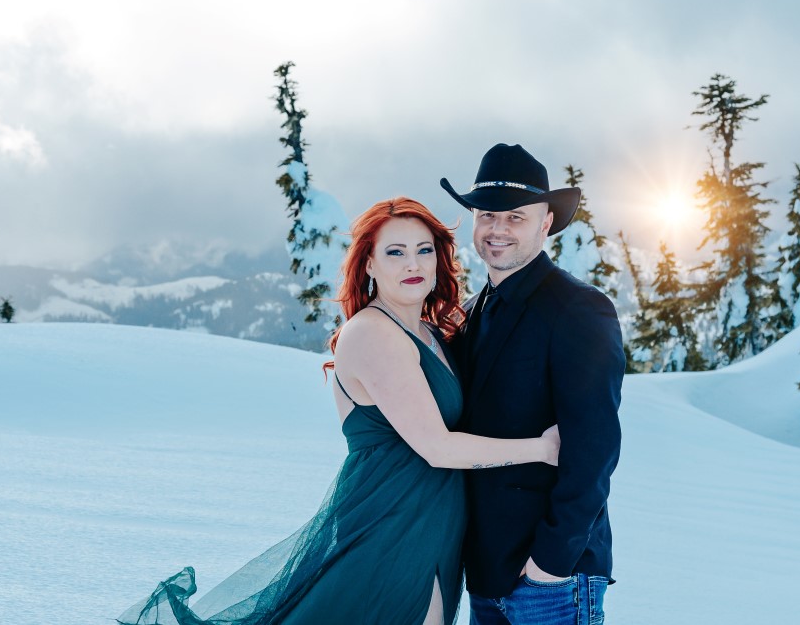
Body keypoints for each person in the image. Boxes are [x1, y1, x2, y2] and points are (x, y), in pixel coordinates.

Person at [118, 197, 561, 625]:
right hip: (387, 526)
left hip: (431, 525)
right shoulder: (372, 334)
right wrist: (541, 449)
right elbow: (437, 447)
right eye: (395, 252)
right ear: (369, 264)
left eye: (424, 250)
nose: (413, 264)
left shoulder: (430, 333)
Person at [440, 144, 625, 625]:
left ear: (546, 223)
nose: (497, 229)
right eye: (486, 215)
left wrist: (550, 564)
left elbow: (595, 448)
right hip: (485, 572)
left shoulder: (579, 310)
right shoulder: (474, 312)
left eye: (515, 217)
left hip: (550, 581)